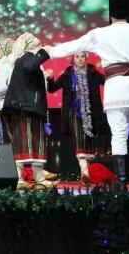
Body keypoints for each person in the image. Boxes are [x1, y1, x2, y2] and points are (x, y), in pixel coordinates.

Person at [46, 0, 129, 193]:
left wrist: (50, 51)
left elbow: (73, 46)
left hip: (116, 89)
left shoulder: (100, 34)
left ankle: (121, 184)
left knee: (119, 135)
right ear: (127, 13)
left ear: (112, 15)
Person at [3, 32, 57, 191]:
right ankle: (19, 179)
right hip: (25, 109)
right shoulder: (25, 58)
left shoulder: (26, 60)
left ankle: (39, 179)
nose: (41, 48)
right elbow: (30, 66)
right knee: (24, 144)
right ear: (33, 47)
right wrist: (45, 53)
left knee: (35, 145)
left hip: (31, 109)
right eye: (39, 46)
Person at [45, 52, 107, 185]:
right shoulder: (68, 74)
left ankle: (85, 173)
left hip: (91, 113)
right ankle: (85, 172)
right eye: (77, 57)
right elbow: (52, 89)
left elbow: (108, 82)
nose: (80, 59)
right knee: (80, 140)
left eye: (82, 57)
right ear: (73, 59)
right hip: (74, 113)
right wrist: (50, 79)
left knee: (89, 142)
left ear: (86, 58)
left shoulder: (93, 73)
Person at [0, 38, 15, 143]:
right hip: (8, 105)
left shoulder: (4, 62)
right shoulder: (6, 62)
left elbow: (0, 89)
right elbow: (0, 88)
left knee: (8, 138)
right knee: (11, 137)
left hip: (6, 105)